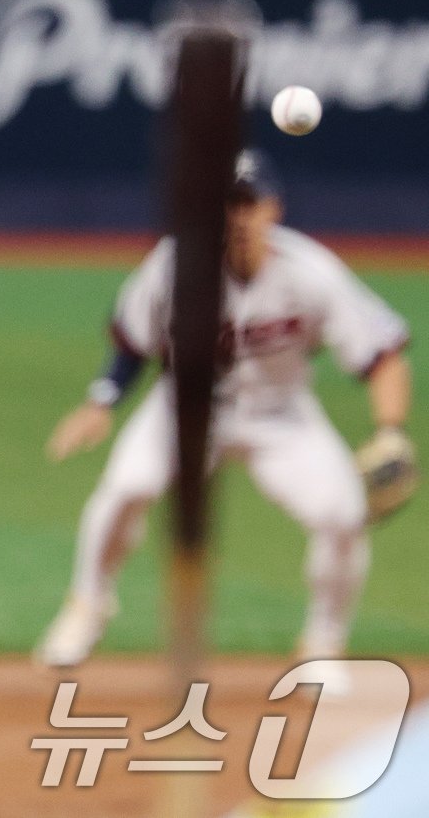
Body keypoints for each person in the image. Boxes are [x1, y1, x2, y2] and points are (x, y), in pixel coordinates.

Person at [34, 149, 412, 669]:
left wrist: (391, 432)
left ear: (272, 209)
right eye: (226, 204)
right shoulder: (173, 265)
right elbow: (132, 338)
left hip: (281, 416)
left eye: (248, 203)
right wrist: (103, 400)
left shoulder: (311, 272)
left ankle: (322, 646)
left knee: (343, 516)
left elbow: (382, 353)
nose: (237, 217)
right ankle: (88, 606)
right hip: (183, 411)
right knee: (123, 491)